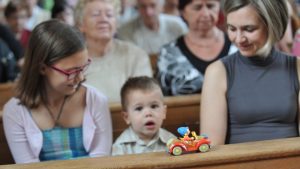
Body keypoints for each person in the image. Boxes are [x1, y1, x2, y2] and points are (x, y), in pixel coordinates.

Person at [3, 20, 112, 163]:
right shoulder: (15, 111)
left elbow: (101, 162)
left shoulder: (95, 100)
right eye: (70, 72)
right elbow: (28, 167)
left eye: (82, 67)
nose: (80, 77)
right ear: (42, 68)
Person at [200, 0, 299, 145]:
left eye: (249, 29)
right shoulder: (218, 72)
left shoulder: (296, 67)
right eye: (232, 29)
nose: (239, 39)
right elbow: (212, 148)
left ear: (272, 25)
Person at [75, 0, 152, 103]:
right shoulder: (73, 60)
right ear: (81, 24)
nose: (103, 19)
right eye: (95, 15)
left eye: (109, 15)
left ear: (117, 24)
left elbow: (145, 98)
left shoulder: (136, 56)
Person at [156, 0, 237, 96]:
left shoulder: (238, 46)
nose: (205, 14)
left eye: (210, 6)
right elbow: (161, 98)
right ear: (183, 12)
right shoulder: (168, 54)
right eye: (197, 7)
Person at [112, 76, 175, 156]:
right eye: (139, 108)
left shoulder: (172, 141)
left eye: (154, 106)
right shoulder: (121, 147)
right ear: (126, 117)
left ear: (164, 112)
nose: (148, 113)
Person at [117, 0, 187, 55]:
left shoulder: (177, 25)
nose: (148, 12)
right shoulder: (126, 31)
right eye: (143, 6)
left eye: (153, 6)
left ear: (161, 6)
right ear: (137, 7)